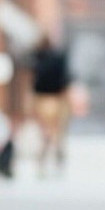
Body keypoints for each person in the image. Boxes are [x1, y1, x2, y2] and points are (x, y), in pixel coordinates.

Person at [29, 35, 72, 175]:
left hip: (42, 99)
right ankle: (58, 161)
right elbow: (65, 79)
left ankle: (42, 163)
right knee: (58, 134)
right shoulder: (58, 58)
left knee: (45, 134)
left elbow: (34, 82)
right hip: (57, 98)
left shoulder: (37, 59)